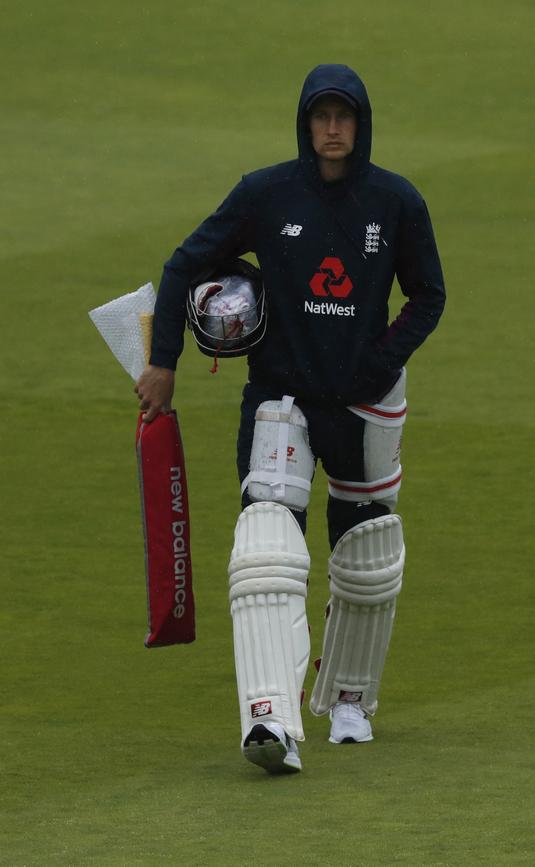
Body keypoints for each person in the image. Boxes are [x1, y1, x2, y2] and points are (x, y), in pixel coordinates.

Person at [135, 63, 445, 774]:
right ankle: (269, 718)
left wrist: (378, 359)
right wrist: (163, 360)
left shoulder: (396, 202)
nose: (332, 129)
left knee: (366, 557)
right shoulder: (267, 193)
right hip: (282, 398)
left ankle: (348, 702)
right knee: (267, 552)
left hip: (364, 403)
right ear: (306, 123)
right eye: (321, 116)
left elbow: (429, 294)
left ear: (360, 124)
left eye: (344, 117)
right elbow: (185, 264)